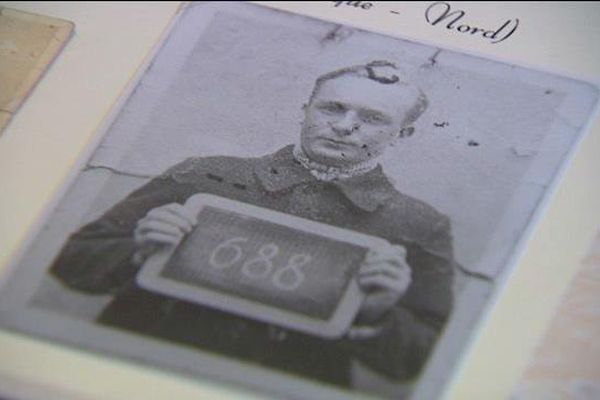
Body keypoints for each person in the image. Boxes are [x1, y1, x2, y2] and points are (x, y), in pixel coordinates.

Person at [50, 61, 455, 388]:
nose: (345, 125)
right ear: (305, 110)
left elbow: (415, 362)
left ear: (403, 134)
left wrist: (377, 311)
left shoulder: (419, 224)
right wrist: (138, 248)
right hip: (136, 375)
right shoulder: (203, 174)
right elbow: (71, 260)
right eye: (332, 108)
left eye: (371, 118)